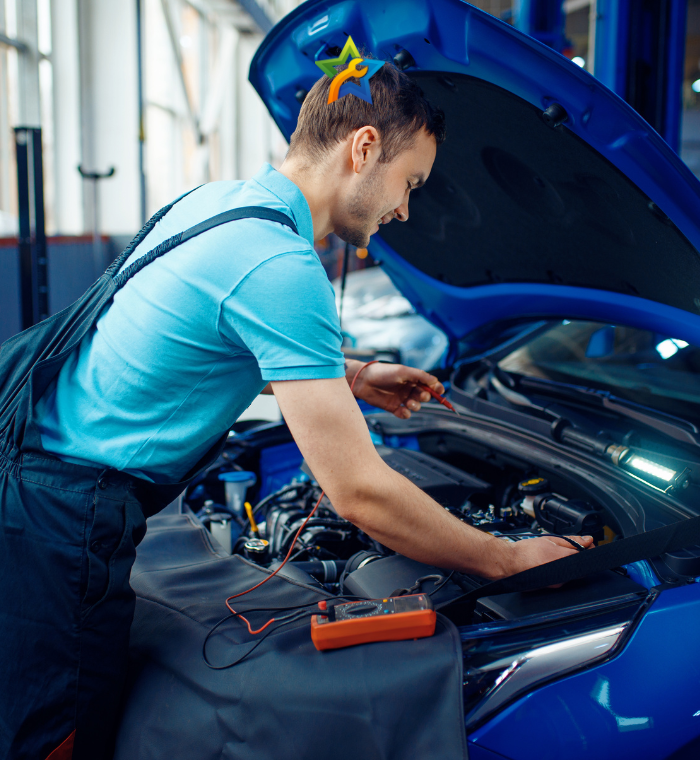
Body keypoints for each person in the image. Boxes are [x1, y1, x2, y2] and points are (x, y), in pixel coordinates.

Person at [0, 61, 592, 760]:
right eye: (411, 183)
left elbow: (197, 340)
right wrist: (502, 556)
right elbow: (360, 494)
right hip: (62, 519)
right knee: (57, 741)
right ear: (364, 148)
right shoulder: (281, 265)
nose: (405, 210)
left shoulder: (215, 205)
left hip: (34, 485)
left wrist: (353, 376)